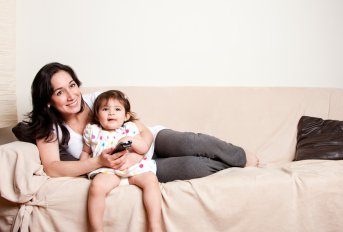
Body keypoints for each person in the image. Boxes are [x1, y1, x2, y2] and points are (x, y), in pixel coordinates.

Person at [16, 62, 256, 183]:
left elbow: (143, 131)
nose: (71, 96)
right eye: (59, 92)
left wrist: (137, 152)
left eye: (72, 85)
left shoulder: (96, 100)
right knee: (196, 167)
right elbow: (52, 168)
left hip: (149, 145)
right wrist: (98, 162)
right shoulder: (49, 128)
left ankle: (242, 158)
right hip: (134, 170)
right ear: (48, 101)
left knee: (193, 142)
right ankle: (233, 170)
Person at [80, 90, 165, 232]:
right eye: (105, 109)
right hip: (107, 170)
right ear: (97, 115)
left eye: (117, 109)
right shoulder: (92, 130)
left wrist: (131, 140)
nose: (111, 112)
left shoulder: (130, 128)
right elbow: (85, 152)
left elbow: (143, 148)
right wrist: (83, 169)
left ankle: (155, 224)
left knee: (151, 181)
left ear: (126, 116)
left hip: (133, 168)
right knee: (96, 188)